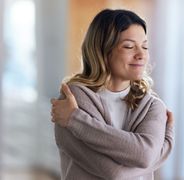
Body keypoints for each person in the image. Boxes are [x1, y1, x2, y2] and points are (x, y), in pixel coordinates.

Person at [50, 9, 174, 180]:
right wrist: (163, 148)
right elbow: (113, 172)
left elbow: (145, 155)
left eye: (145, 46)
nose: (141, 55)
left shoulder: (152, 105)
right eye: (129, 46)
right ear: (102, 50)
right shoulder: (72, 100)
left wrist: (75, 120)